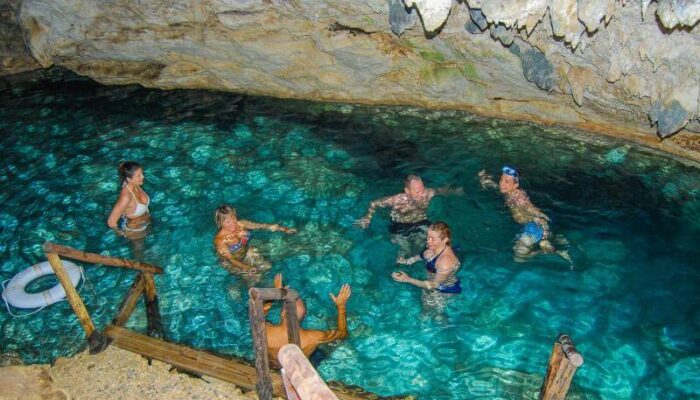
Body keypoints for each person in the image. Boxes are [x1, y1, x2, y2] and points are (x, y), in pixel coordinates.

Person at [356, 175, 462, 261]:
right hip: (400, 226)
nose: (421, 194)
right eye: (417, 192)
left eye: (422, 189)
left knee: (432, 244)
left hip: (421, 222)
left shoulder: (428, 193)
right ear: (407, 191)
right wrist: (367, 218)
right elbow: (374, 203)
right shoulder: (396, 200)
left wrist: (456, 192)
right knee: (405, 251)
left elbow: (441, 191)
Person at [479, 166, 571, 263]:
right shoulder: (510, 192)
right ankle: (552, 243)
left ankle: (552, 251)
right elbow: (499, 187)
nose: (502, 183)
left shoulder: (518, 196)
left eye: (506, 181)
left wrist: (540, 214)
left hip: (534, 226)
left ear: (516, 185)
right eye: (501, 180)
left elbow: (529, 207)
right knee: (546, 241)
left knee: (519, 257)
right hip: (530, 225)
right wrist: (485, 179)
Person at [264, 274, 351, 364]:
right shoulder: (313, 336)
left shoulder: (266, 330)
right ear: (304, 316)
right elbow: (343, 334)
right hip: (298, 368)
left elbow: (259, 312)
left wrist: (275, 294)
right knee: (326, 349)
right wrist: (341, 306)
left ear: (282, 313)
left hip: (273, 364)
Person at [213, 204, 296, 281]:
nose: (233, 224)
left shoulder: (241, 224)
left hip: (247, 252)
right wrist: (247, 268)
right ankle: (235, 285)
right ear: (220, 223)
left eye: (233, 218)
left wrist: (284, 229)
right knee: (256, 278)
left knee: (267, 267)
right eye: (228, 222)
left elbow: (262, 226)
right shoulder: (220, 240)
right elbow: (230, 259)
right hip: (231, 262)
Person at [393, 221, 461, 311]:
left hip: (441, 291)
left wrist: (407, 279)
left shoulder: (445, 262)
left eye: (433, 239)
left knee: (427, 313)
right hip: (431, 280)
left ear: (444, 240)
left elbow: (433, 286)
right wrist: (407, 261)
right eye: (428, 236)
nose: (428, 241)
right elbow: (422, 256)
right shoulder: (434, 247)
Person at [107, 161, 151, 239]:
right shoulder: (126, 197)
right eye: (139, 175)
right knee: (140, 250)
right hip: (135, 230)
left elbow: (122, 165)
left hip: (146, 223)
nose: (143, 176)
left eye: (142, 173)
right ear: (129, 179)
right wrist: (122, 234)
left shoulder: (135, 184)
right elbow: (111, 222)